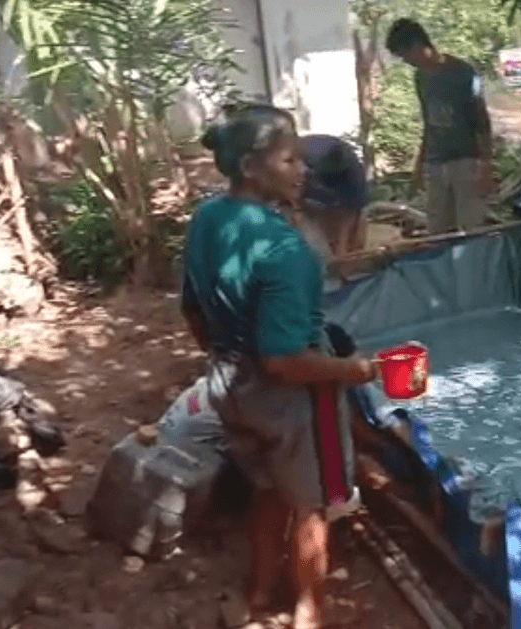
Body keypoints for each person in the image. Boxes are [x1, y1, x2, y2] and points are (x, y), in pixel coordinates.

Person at [181, 104, 381, 629]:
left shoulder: (207, 217)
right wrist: (354, 371)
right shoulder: (286, 249)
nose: (303, 170)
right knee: (312, 508)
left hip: (227, 380)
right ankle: (308, 612)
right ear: (250, 166)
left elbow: (192, 310)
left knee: (269, 490)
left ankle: (258, 591)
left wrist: (229, 357)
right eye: (290, 160)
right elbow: (285, 361)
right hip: (288, 399)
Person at [387, 18, 494, 234]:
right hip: (435, 163)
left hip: (465, 160)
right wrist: (420, 162)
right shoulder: (420, 78)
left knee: (471, 228)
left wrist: (486, 165)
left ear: (417, 45)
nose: (406, 61)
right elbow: (428, 122)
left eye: (404, 54)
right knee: (437, 229)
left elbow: (482, 121)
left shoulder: (463, 72)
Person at [299, 134, 369, 258]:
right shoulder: (301, 166)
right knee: (318, 242)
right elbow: (292, 198)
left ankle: (344, 255)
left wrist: (342, 249)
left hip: (336, 186)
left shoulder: (354, 173)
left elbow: (351, 210)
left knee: (355, 242)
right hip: (308, 189)